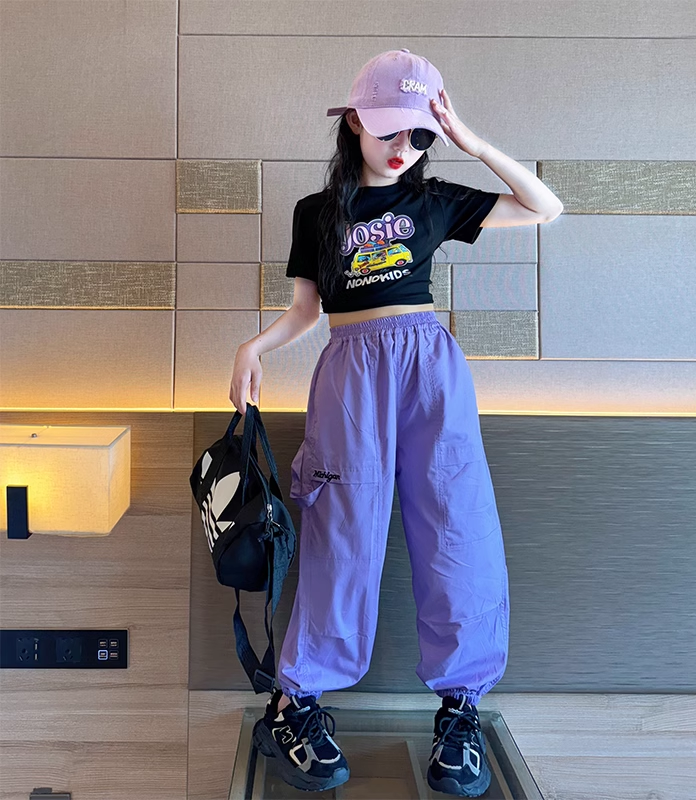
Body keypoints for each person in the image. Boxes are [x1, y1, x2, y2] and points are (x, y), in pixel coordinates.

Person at [229, 49, 563, 797]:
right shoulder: (316, 213)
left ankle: (461, 708)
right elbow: (306, 311)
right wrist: (254, 346)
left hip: (430, 369)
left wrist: (471, 141)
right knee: (341, 531)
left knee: (457, 527)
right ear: (354, 121)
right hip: (350, 372)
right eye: (389, 131)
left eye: (418, 136)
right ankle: (296, 701)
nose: (403, 148)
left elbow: (545, 208)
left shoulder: (435, 199)